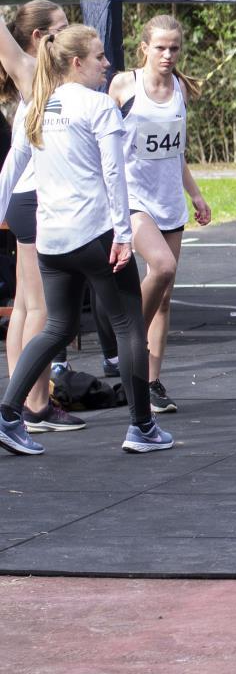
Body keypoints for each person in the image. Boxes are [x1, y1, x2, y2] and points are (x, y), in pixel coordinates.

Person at [0, 24, 172, 454]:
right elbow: (114, 174)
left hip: (53, 241)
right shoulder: (98, 106)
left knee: (57, 327)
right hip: (95, 236)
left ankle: (6, 415)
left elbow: (11, 169)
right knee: (130, 326)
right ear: (76, 63)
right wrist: (122, 234)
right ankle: (141, 428)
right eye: (98, 57)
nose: (106, 63)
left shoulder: (36, 105)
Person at [107, 14, 212, 416]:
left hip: (170, 200)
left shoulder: (181, 88)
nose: (168, 55)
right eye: (161, 48)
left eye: (174, 48)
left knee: (165, 298)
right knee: (162, 267)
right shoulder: (123, 85)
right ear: (144, 49)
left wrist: (197, 195)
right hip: (134, 199)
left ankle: (149, 381)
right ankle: (129, 337)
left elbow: (177, 151)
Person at [0, 1, 85, 433]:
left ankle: (22, 401)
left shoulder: (53, 77)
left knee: (24, 306)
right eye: (62, 27)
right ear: (38, 38)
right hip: (33, 198)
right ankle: (32, 406)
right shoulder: (32, 71)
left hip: (26, 197)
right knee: (39, 308)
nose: (71, 31)